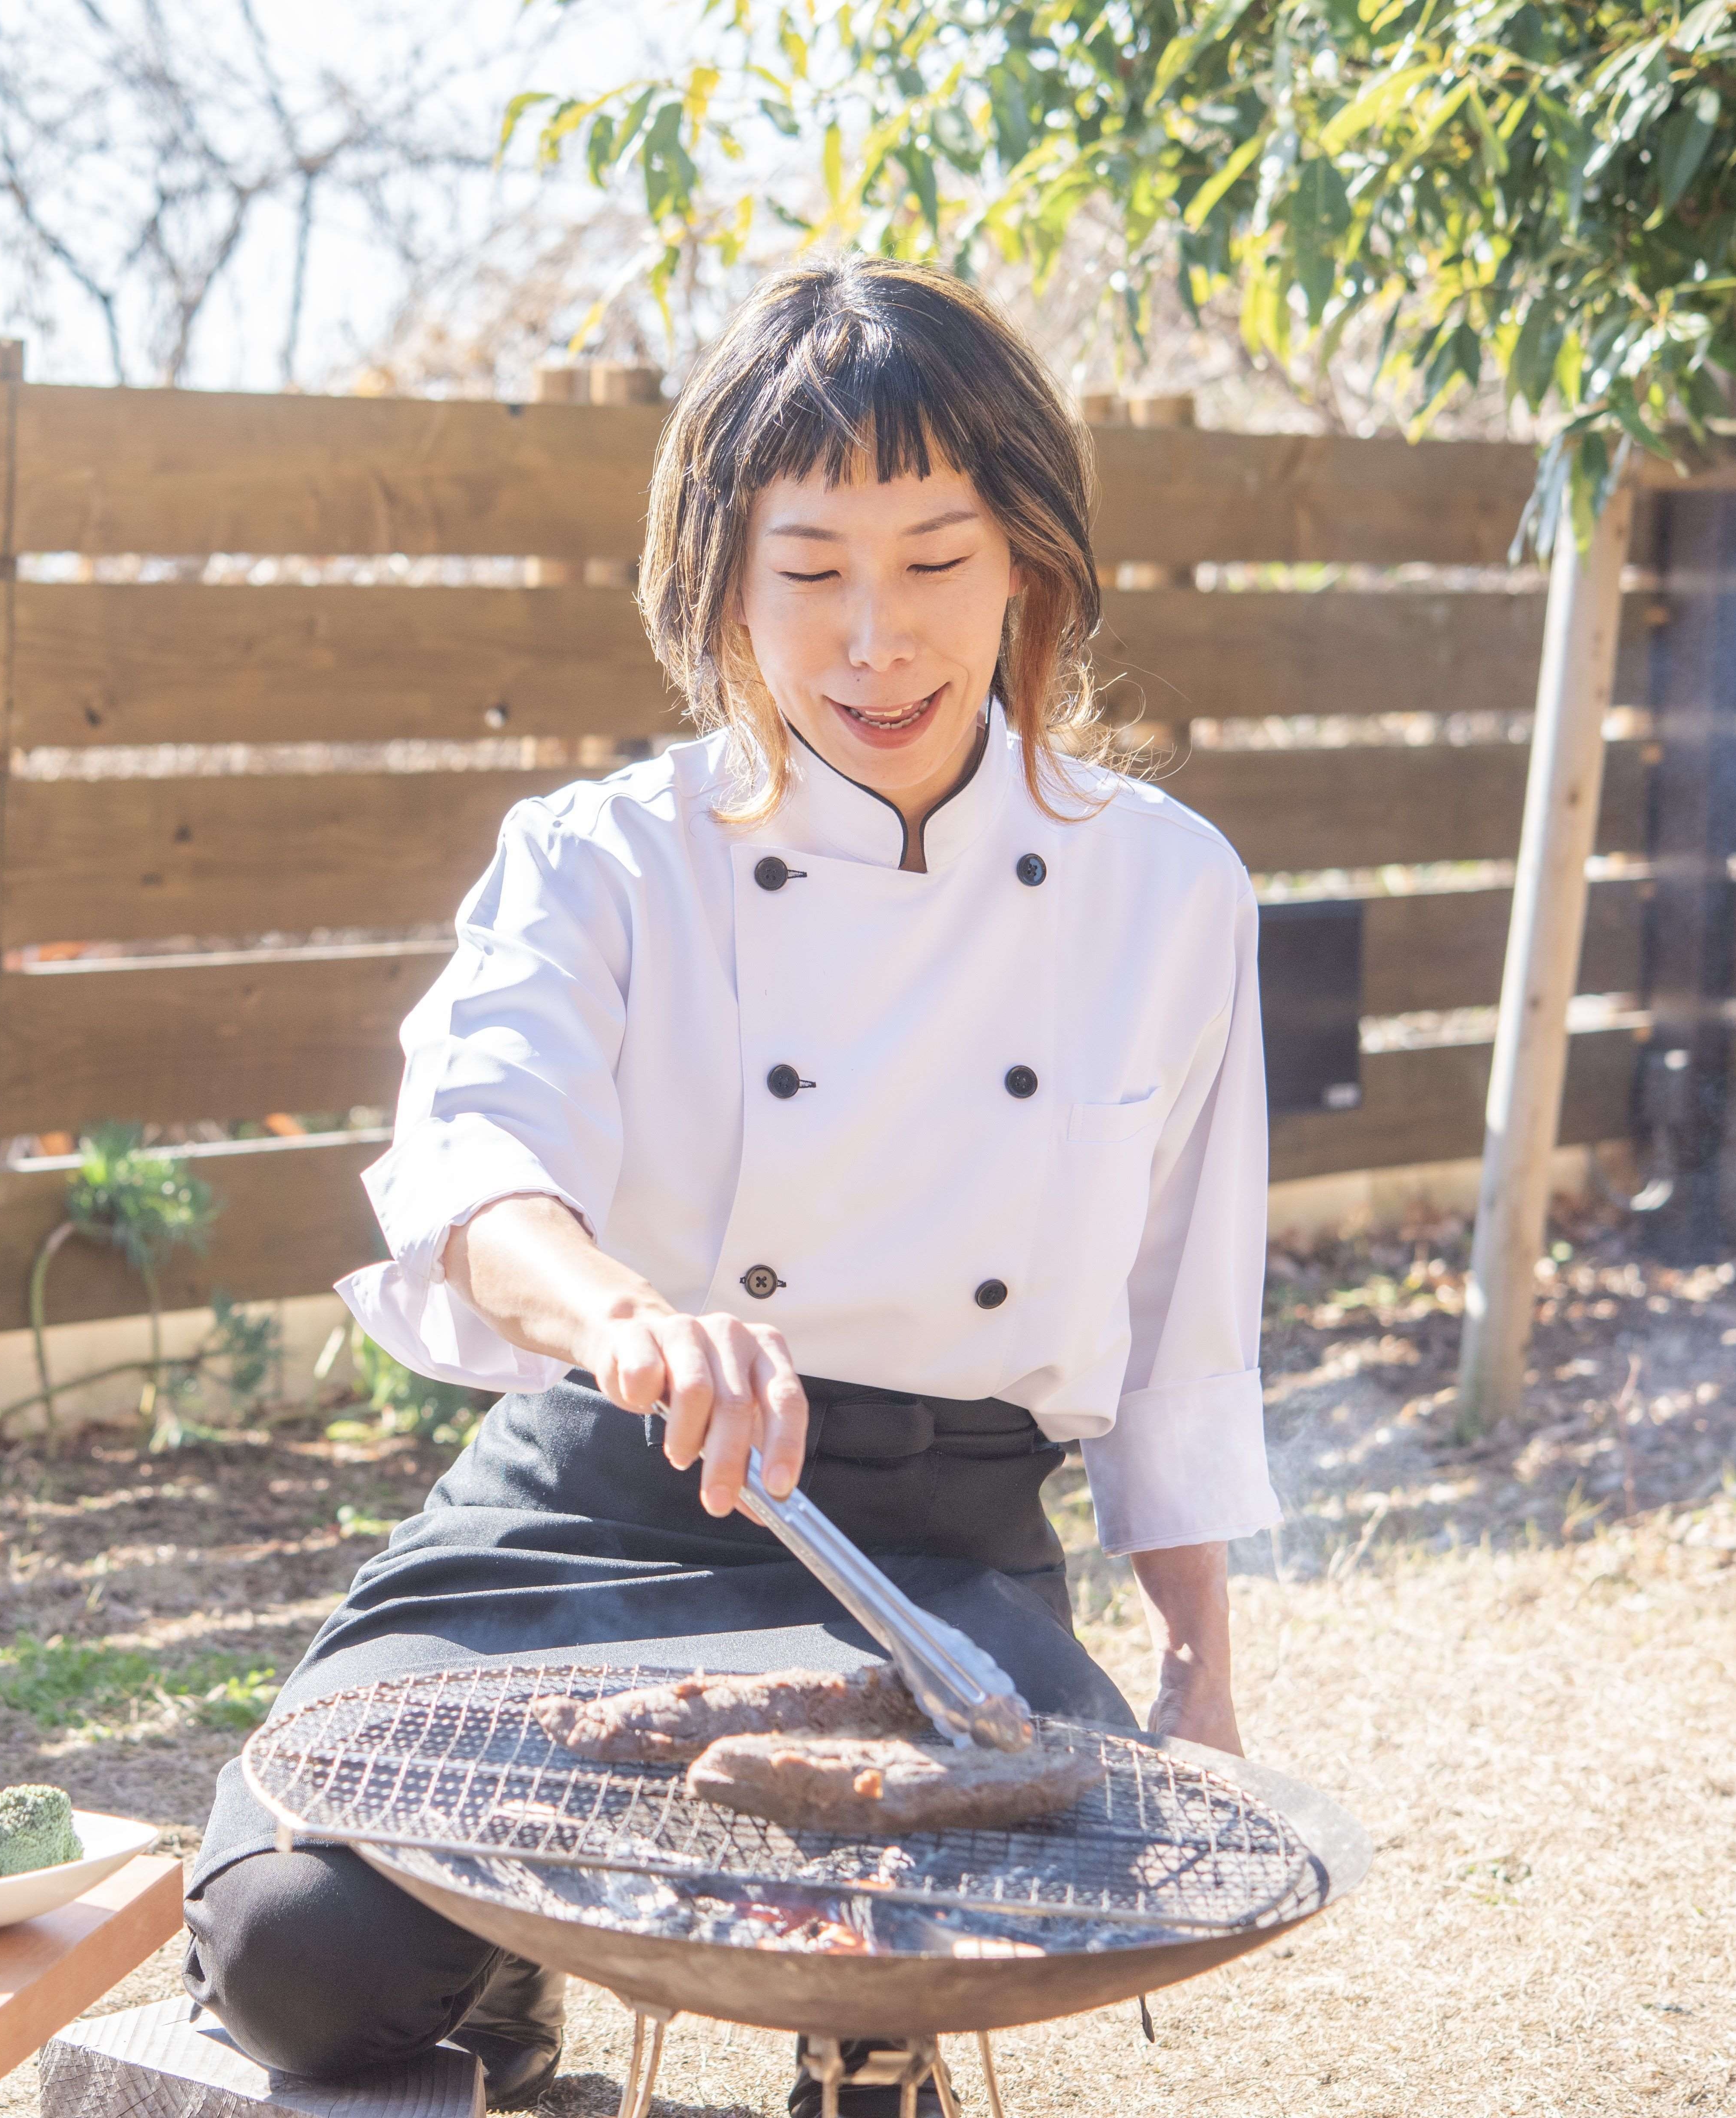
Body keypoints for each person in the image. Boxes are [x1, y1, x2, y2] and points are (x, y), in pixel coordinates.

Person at [181, 254, 1278, 2116]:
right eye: (813, 572)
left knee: (968, 1909)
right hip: (608, 1493)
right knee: (297, 1953)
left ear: (1026, 562)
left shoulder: (1166, 888)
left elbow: (1184, 1320)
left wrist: (1200, 1655)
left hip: (939, 1549)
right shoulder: (606, 855)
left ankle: (873, 2062)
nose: (879, 641)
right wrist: (631, 1320)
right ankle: (496, 1990)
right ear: (722, 582)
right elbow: (477, 1167)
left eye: (934, 564)